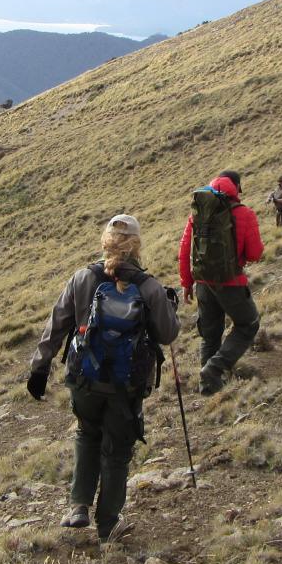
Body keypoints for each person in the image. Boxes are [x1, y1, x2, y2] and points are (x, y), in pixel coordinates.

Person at [26, 214, 180, 542]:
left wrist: (39, 367)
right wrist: (169, 307)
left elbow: (57, 325)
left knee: (87, 432)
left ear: (105, 242)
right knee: (117, 450)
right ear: (136, 245)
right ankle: (108, 523)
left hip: (84, 377)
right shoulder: (149, 287)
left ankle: (78, 506)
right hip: (127, 385)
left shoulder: (83, 278)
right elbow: (167, 334)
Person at [178, 170, 263, 395]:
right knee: (248, 324)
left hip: (203, 283)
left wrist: (186, 283)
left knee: (210, 334)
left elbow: (185, 250)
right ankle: (214, 369)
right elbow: (255, 253)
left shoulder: (198, 213)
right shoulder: (244, 213)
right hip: (231, 283)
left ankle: (208, 387)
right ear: (236, 187)